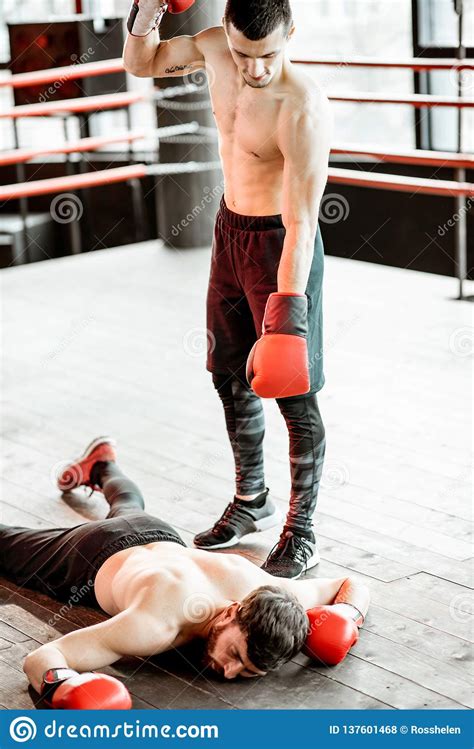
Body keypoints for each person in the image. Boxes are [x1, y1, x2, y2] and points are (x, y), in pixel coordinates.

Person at [123, 0, 331, 578]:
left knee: (294, 390)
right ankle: (251, 500)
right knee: (227, 372)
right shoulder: (214, 47)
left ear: (291, 32)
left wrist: (288, 317)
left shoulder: (302, 106)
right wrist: (147, 9)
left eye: (267, 55)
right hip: (229, 229)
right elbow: (142, 64)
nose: (254, 69)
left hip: (281, 244)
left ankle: (301, 528)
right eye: (243, 53)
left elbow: (303, 221)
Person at [0, 439, 369, 698]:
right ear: (231, 613)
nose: (228, 671)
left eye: (246, 672)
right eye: (237, 656)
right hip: (88, 555)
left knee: (129, 504)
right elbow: (43, 658)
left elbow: (352, 583)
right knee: (6, 545)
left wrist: (347, 615)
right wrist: (63, 687)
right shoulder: (154, 625)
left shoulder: (267, 589)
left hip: (156, 531)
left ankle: (102, 464)